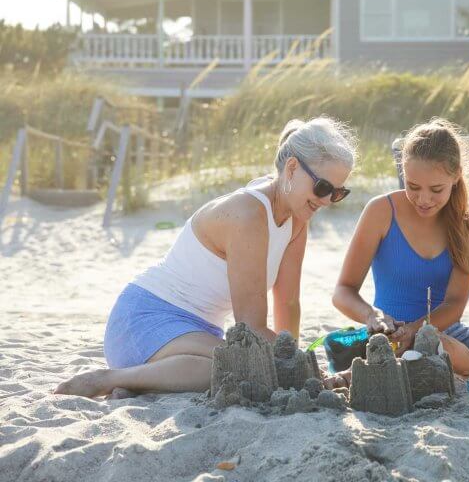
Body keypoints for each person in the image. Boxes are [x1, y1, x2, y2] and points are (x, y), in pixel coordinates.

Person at [55, 117, 357, 398]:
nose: (328, 200)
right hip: (145, 320)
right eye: (323, 187)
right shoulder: (248, 214)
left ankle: (139, 383)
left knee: (253, 366)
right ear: (292, 168)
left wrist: (293, 359)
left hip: (197, 336)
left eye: (338, 193)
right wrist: (296, 366)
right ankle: (107, 380)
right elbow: (251, 325)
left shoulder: (296, 220)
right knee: (241, 366)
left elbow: (288, 303)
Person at [331, 119, 469, 382]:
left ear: (456, 175)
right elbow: (343, 291)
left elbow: (455, 304)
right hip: (389, 339)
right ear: (403, 171)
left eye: (436, 189)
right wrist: (372, 316)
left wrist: (418, 330)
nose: (424, 199)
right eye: (413, 187)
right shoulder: (381, 211)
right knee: (417, 353)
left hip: (447, 335)